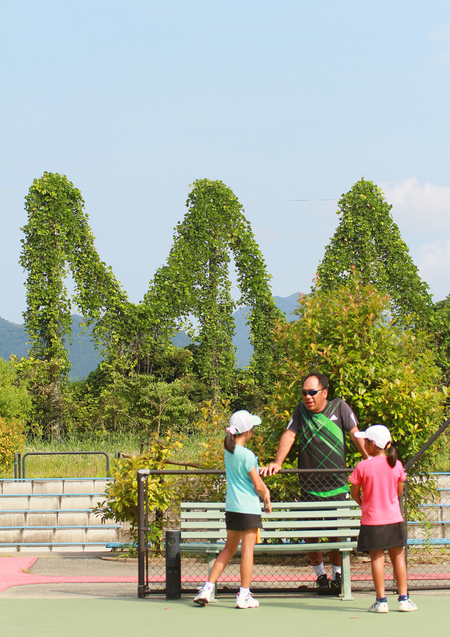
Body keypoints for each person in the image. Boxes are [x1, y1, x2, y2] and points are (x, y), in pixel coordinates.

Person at [260, 372, 368, 593]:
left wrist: (371, 461)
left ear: (324, 393)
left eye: (312, 392)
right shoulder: (300, 411)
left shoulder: (340, 407)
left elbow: (356, 435)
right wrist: (278, 462)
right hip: (309, 489)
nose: (307, 397)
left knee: (336, 533)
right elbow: (289, 435)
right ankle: (320, 575)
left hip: (337, 487)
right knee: (310, 532)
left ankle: (338, 574)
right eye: (304, 393)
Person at [193, 410, 272, 609]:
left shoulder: (229, 452)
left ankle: (207, 589)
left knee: (228, 549)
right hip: (249, 508)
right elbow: (257, 484)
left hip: (233, 508)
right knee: (247, 551)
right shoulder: (248, 455)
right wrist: (267, 495)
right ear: (247, 432)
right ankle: (243, 595)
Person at [349, 424, 417, 613]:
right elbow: (399, 490)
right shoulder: (396, 464)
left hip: (372, 521)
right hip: (393, 518)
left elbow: (355, 493)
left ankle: (381, 601)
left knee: (377, 559)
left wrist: (365, 504)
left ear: (372, 444)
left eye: (366, 441)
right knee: (398, 558)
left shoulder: (362, 466)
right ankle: (404, 599)